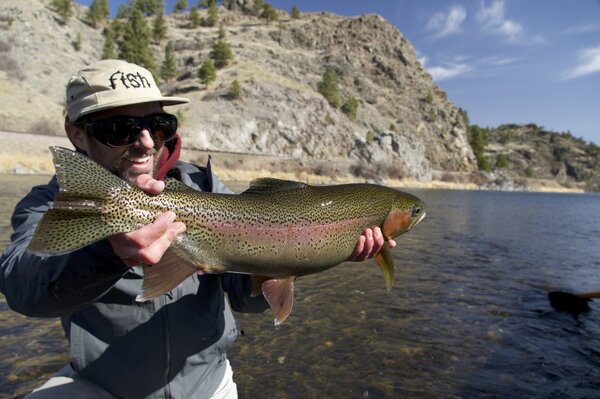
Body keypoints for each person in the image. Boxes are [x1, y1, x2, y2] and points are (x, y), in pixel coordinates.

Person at [0, 59, 396, 398]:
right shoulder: (55, 202)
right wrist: (107, 252)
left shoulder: (203, 188)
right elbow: (22, 288)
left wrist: (306, 254)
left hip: (208, 385)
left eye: (157, 125)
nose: (143, 143)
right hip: (106, 387)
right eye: (118, 129)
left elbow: (244, 296)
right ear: (75, 133)